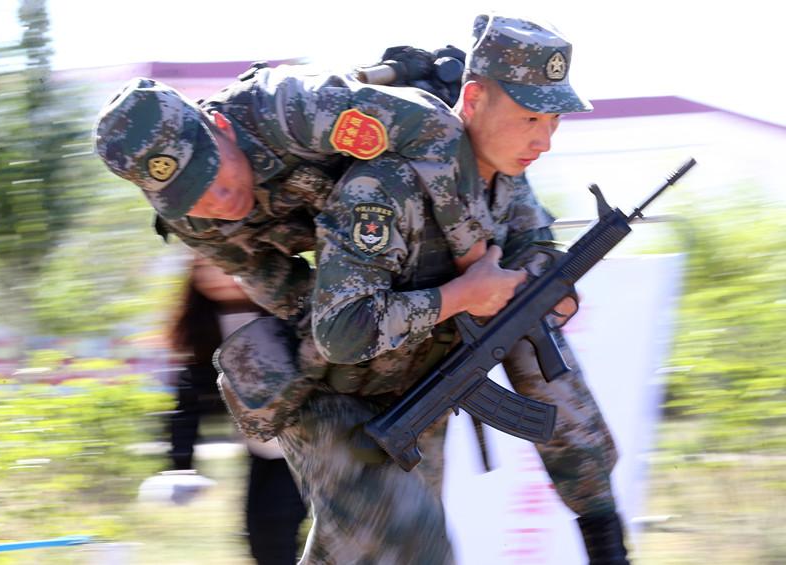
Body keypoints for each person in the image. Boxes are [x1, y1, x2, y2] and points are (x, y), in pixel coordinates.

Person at [303, 14, 629, 565]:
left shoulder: (506, 177)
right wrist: (462, 297)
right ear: (473, 99)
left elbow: (534, 241)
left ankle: (608, 543)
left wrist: (545, 283)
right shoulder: (383, 186)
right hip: (352, 404)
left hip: (424, 388)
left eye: (554, 120)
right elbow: (341, 331)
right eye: (530, 117)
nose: (544, 140)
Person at [93, 64, 493, 327]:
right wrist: (348, 326)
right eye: (191, 195)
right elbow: (264, 276)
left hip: (459, 197)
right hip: (377, 265)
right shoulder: (187, 217)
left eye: (211, 174)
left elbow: (434, 125)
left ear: (222, 127)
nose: (217, 200)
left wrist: (469, 252)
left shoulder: (291, 109)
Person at [167, 256, 307, 564]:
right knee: (262, 541)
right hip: (263, 454)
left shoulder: (290, 309)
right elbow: (189, 403)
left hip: (313, 447)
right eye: (203, 267)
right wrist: (181, 464)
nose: (215, 275)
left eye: (221, 262)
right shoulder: (204, 327)